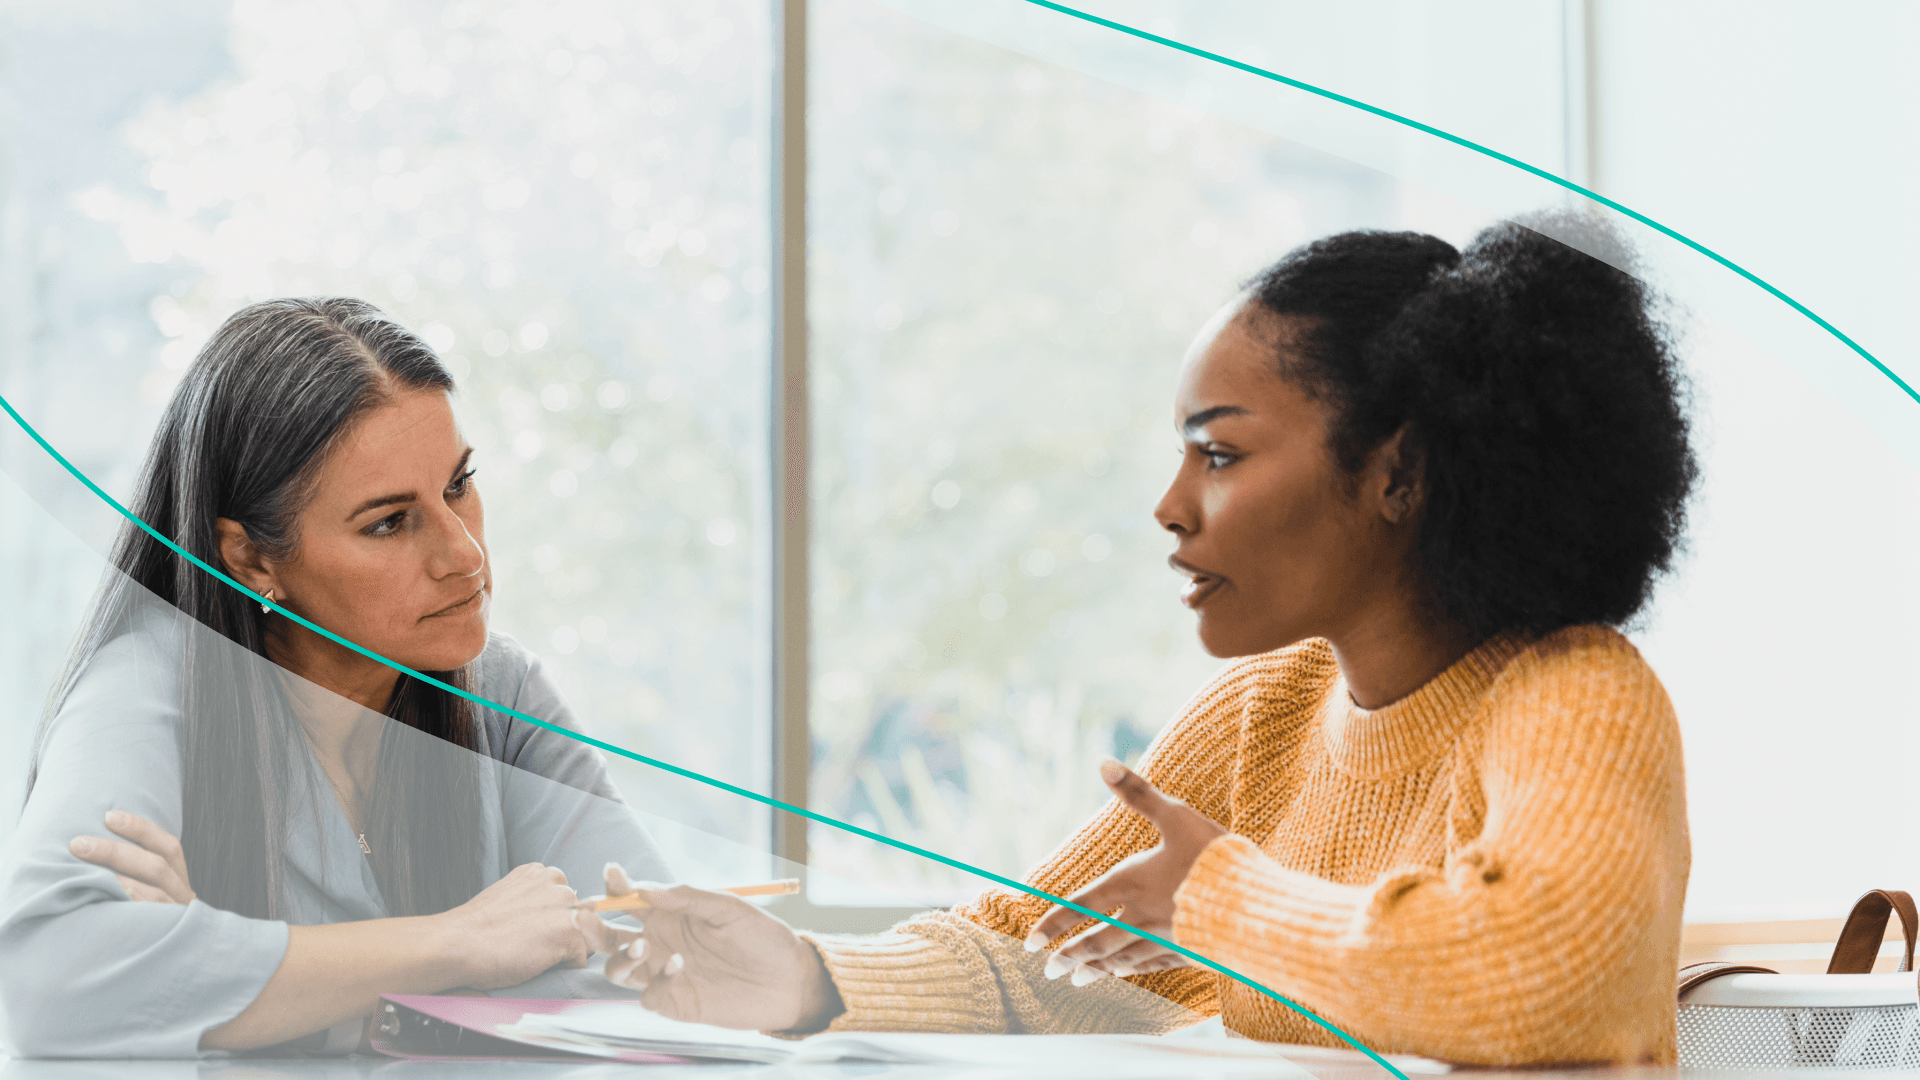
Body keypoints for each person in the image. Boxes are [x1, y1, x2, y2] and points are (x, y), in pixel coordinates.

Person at [577, 217, 1699, 1066]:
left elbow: (1542, 973)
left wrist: (1217, 898)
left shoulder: (1574, 694)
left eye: (1219, 455)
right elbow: (1036, 959)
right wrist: (809, 978)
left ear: (1398, 472)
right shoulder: (1270, 711)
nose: (1170, 506)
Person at [0, 298, 670, 1057]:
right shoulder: (149, 684)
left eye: (459, 484)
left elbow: (657, 969)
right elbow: (51, 982)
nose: (465, 555)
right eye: (389, 521)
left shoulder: (501, 692)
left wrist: (236, 979)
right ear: (252, 558)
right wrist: (454, 945)